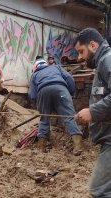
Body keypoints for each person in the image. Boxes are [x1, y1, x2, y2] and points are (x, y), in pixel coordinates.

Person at [74, 28, 111, 197]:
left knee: (99, 190)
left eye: (81, 51)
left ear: (93, 45)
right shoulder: (103, 62)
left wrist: (93, 111)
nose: (79, 57)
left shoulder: (107, 60)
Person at [28, 56, 83, 155]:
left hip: (43, 91)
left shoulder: (35, 75)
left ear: (35, 67)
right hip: (61, 88)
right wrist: (70, 92)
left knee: (44, 119)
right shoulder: (56, 67)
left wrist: (39, 104)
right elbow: (69, 78)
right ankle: (77, 146)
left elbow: (32, 94)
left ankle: (41, 147)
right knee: (69, 117)